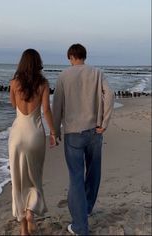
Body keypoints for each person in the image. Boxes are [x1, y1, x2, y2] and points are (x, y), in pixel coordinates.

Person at [52, 43, 114, 235]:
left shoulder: (63, 76)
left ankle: (80, 226)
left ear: (71, 56)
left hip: (73, 133)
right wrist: (104, 122)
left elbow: (57, 105)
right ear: (84, 56)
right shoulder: (97, 73)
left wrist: (55, 131)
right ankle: (86, 208)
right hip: (94, 130)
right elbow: (110, 95)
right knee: (94, 173)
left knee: (76, 178)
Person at [8, 48, 57, 235]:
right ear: (38, 63)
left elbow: (13, 105)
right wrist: (53, 132)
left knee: (18, 180)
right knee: (35, 177)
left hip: (17, 135)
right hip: (35, 134)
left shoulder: (14, 82)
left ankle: (22, 227)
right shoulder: (43, 83)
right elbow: (46, 110)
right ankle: (30, 212)